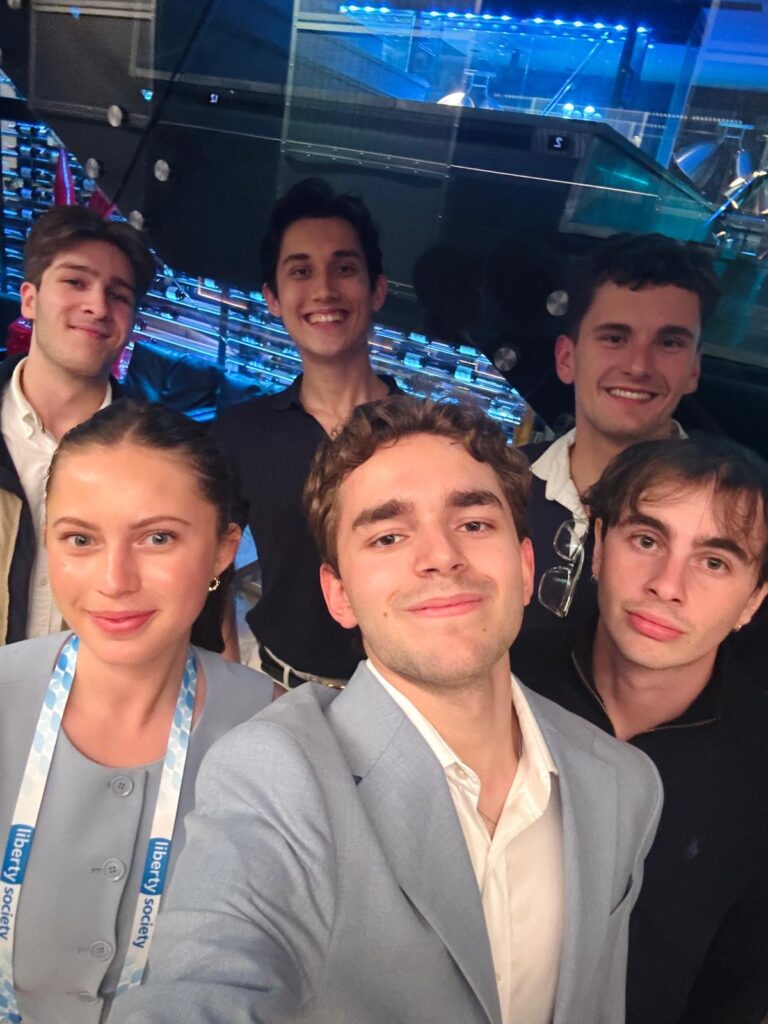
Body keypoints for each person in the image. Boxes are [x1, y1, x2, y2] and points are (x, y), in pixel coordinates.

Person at [113, 395, 662, 1024]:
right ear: (339, 594)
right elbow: (208, 980)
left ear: (525, 562)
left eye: (475, 524)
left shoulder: (624, 784)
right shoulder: (274, 776)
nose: (440, 556)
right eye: (389, 534)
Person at [0, 400, 277, 1024]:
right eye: (80, 539)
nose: (114, 579)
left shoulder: (276, 735)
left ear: (222, 548)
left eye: (158, 538)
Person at [511, 435, 768, 1024]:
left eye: (714, 561)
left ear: (753, 601)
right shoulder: (500, 680)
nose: (667, 585)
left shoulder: (761, 767)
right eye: (647, 540)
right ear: (598, 546)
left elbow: (738, 989)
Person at [210, 177, 399, 684]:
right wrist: (230, 676)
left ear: (376, 289)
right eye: (301, 271)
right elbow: (211, 571)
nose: (323, 289)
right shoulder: (239, 435)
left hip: (406, 700)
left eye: (345, 268)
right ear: (272, 297)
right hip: (279, 686)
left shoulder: (425, 435)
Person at [521, 232, 720, 632]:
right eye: (615, 337)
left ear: (694, 369)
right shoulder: (497, 488)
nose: (639, 366)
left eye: (669, 342)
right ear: (566, 358)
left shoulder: (740, 517)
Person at [0, 205, 156, 645]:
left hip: (92, 699)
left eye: (119, 294)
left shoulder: (158, 457)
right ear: (30, 299)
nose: (97, 305)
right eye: (75, 282)